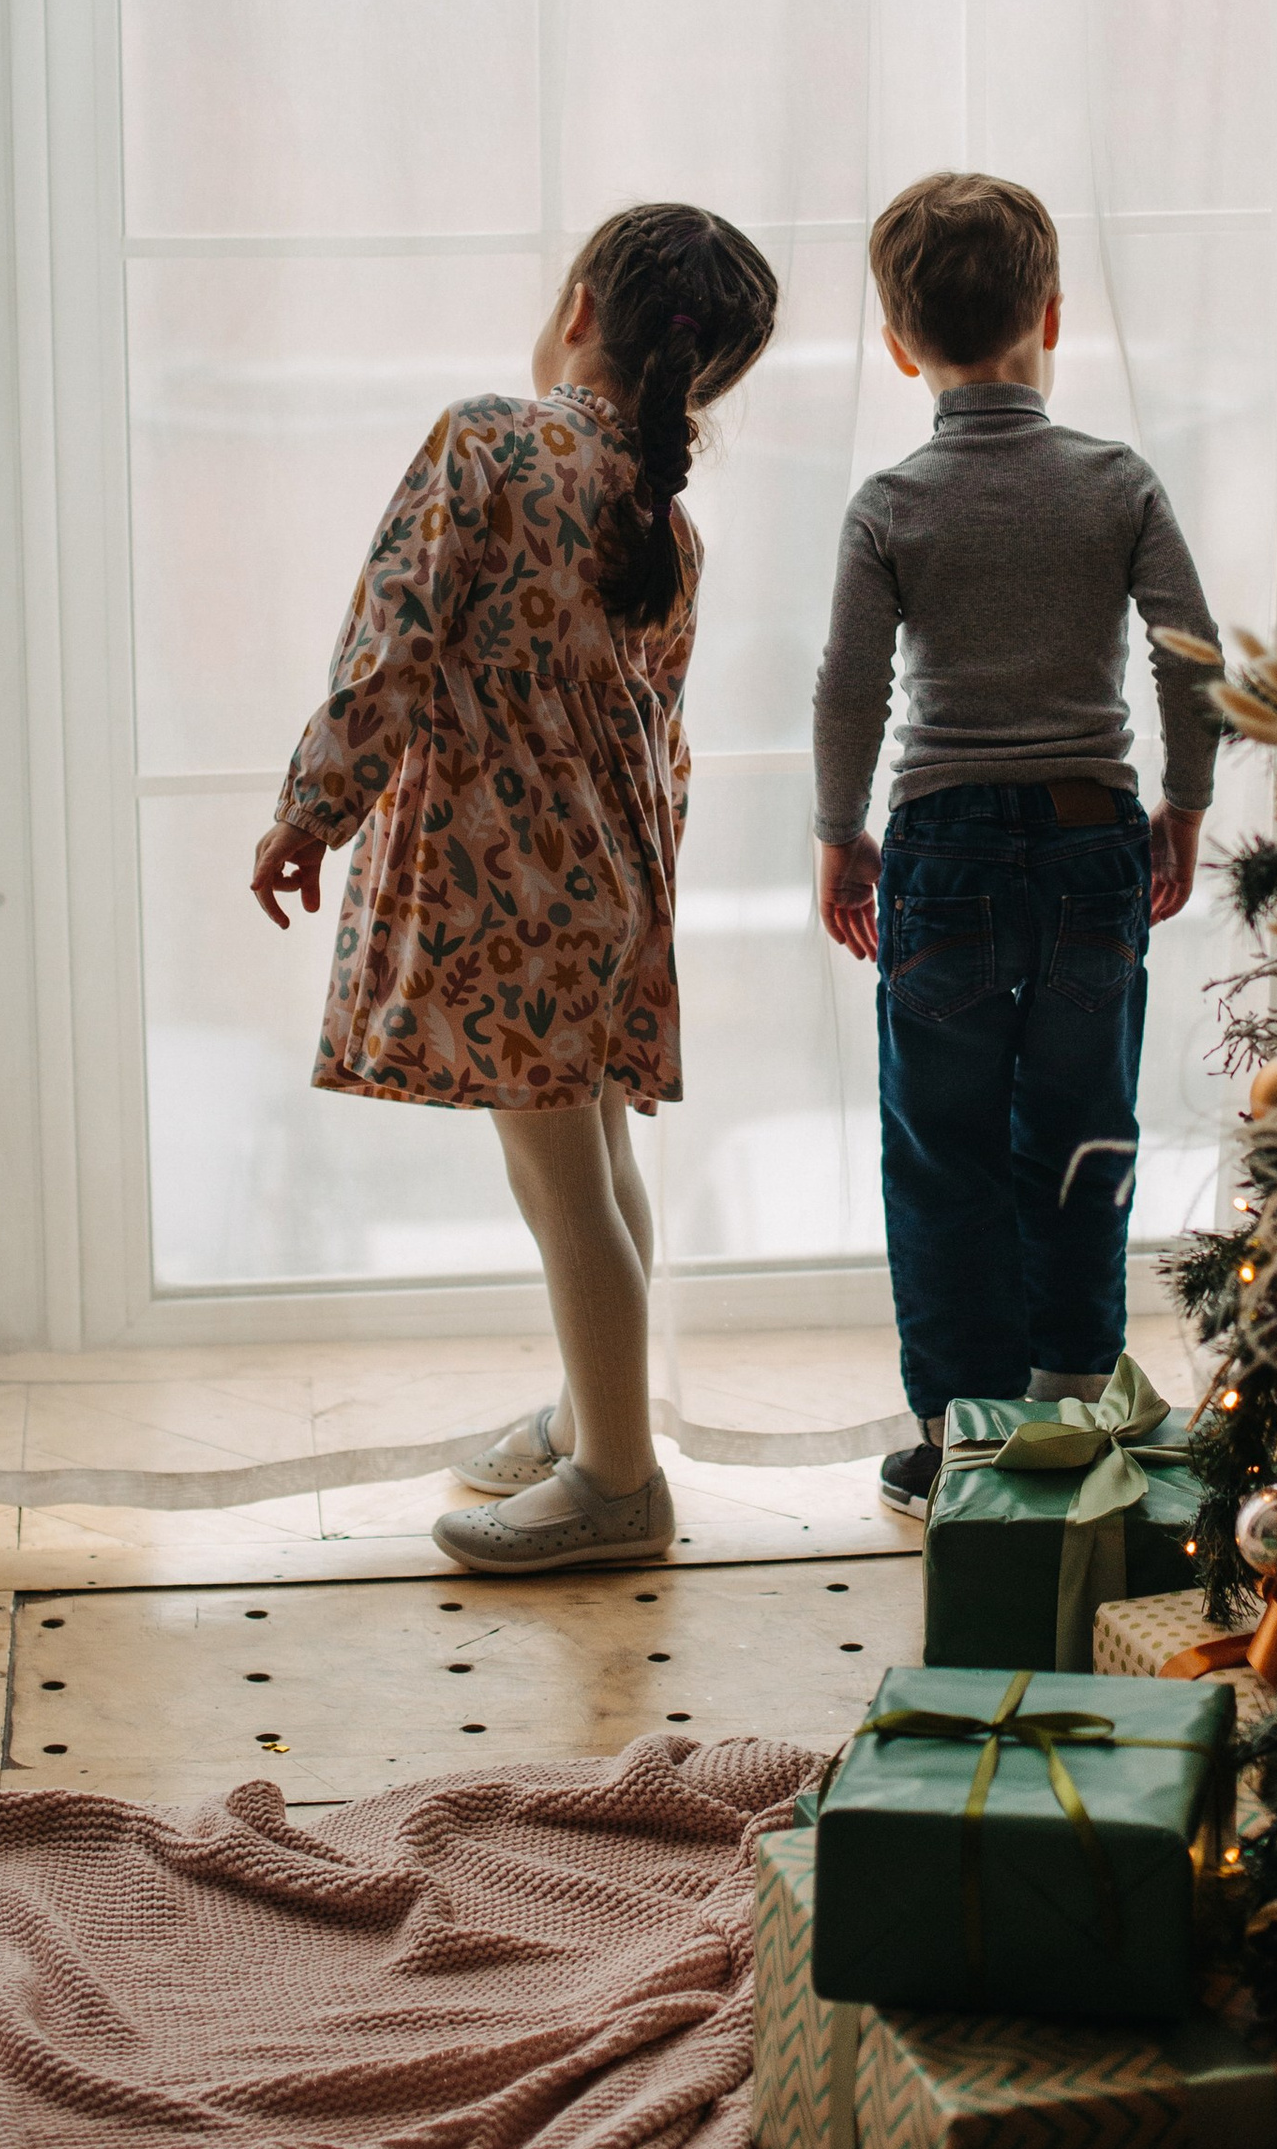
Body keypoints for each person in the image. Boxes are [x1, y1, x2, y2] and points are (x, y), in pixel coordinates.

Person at [252, 204, 778, 1574]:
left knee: (557, 1179)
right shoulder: (670, 528)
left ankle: (617, 1481)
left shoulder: (486, 443)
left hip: (512, 884)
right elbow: (663, 741)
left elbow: (394, 640)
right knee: (594, 1160)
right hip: (609, 887)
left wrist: (314, 810)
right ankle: (592, 1414)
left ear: (582, 311)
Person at [811, 173, 1220, 1519]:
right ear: (1054, 317)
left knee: (943, 1148)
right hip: (1093, 838)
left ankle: (958, 1444)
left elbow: (850, 689)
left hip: (944, 855)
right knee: (1083, 1129)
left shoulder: (892, 505)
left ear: (898, 342)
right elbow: (1190, 662)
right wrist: (1185, 806)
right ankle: (1073, 1411)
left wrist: (838, 835)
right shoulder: (1116, 482)